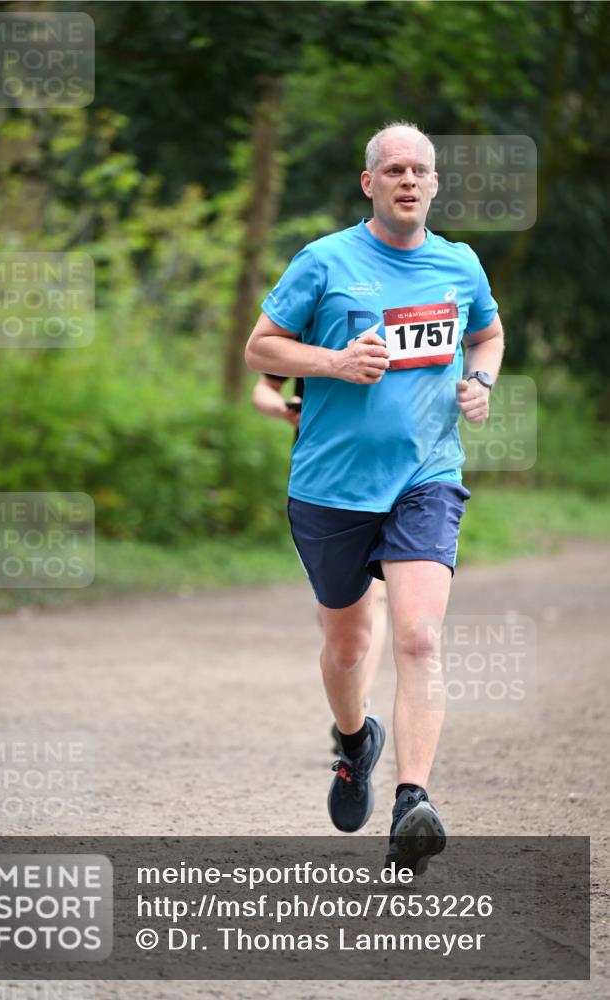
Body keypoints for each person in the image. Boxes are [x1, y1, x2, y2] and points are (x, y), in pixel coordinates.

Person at [245, 122, 504, 872]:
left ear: (432, 185)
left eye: (419, 170)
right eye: (392, 168)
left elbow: (486, 335)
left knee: (419, 637)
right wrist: (331, 361)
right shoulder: (324, 260)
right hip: (329, 487)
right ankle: (355, 742)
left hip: (425, 476)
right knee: (349, 644)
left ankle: (410, 804)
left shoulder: (459, 265)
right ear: (370, 183)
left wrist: (479, 381)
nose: (407, 179)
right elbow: (261, 349)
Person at [251, 373, 390, 753]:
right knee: (332, 611)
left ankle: (356, 707)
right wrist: (284, 410)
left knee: (374, 596)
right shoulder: (305, 324)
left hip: (387, 472)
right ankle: (350, 700)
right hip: (322, 483)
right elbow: (262, 390)